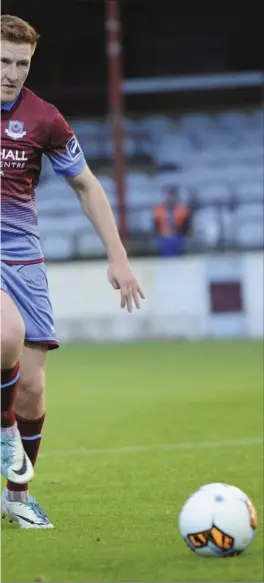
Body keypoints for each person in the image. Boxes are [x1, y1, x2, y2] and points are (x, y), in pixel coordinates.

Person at [1, 14, 145, 529]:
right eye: (3, 61)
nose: (12, 73)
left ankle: (17, 495)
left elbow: (86, 184)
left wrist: (118, 255)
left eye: (21, 64)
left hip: (22, 255)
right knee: (5, 335)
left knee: (34, 389)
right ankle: (3, 431)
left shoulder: (46, 119)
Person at [153, 186, 191, 257]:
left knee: (177, 244)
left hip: (178, 237)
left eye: (172, 195)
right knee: (164, 244)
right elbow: (156, 226)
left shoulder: (182, 210)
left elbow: (186, 227)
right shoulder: (159, 209)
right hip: (163, 237)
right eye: (168, 195)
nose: (170, 198)